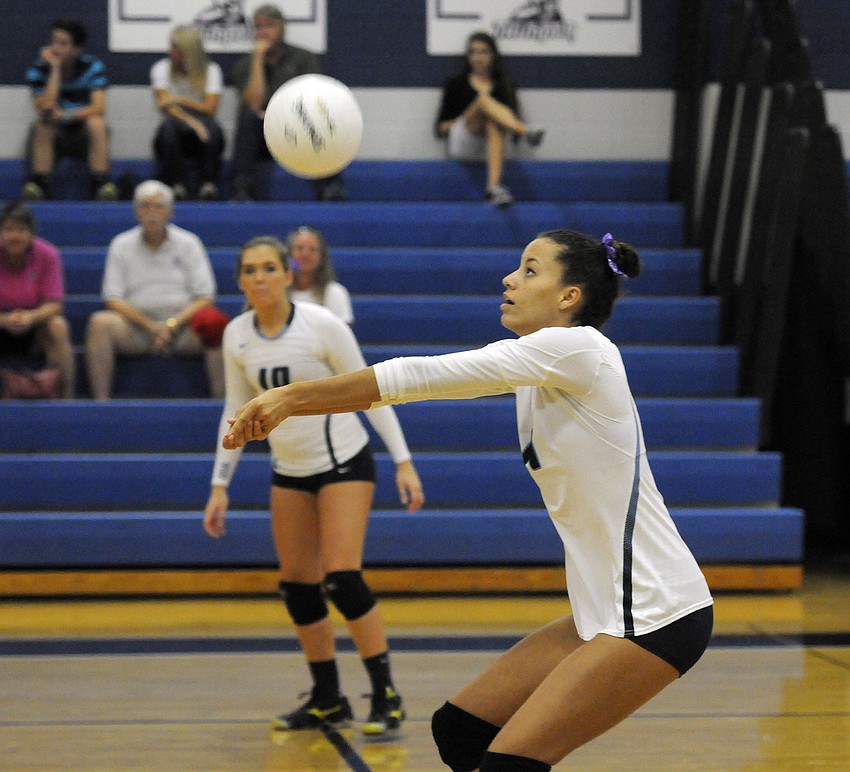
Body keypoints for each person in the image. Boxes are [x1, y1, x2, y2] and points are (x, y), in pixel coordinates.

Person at [221, 229, 714, 771]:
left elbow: (421, 376)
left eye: (530, 270)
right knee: (460, 729)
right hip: (600, 612)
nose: (510, 278)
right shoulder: (542, 367)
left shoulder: (579, 348)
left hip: (655, 613)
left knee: (510, 762)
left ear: (569, 297)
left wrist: (293, 396)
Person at [204, 235, 424, 736]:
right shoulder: (237, 334)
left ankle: (386, 693)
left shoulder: (320, 325)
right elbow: (234, 410)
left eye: (268, 268)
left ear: (288, 274)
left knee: (342, 578)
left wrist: (403, 461)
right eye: (249, 270)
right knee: (298, 586)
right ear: (240, 281)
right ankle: (328, 698)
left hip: (344, 461)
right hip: (290, 469)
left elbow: (373, 390)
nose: (259, 277)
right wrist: (221, 485)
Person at [85, 180, 227, 400]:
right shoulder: (121, 244)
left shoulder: (189, 243)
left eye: (159, 206)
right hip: (136, 328)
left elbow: (205, 296)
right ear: (136, 211)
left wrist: (171, 325)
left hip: (183, 327)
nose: (152, 212)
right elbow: (112, 298)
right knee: (99, 324)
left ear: (170, 211)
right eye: (145, 206)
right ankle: (101, 404)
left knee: (215, 324)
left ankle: (222, 404)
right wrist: (151, 327)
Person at [229, 4, 346, 202]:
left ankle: (330, 186)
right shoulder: (244, 65)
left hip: (297, 128)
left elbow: (311, 99)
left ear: (282, 29)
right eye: (258, 27)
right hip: (263, 135)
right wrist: (257, 60)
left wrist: (279, 114)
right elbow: (254, 104)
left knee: (321, 118)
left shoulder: (303, 58)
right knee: (248, 119)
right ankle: (242, 190)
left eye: (269, 26)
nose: (263, 32)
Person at [435, 31, 545, 208]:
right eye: (473, 52)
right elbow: (440, 128)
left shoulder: (504, 84)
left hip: (496, 143)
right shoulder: (456, 84)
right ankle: (525, 131)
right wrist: (469, 118)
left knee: (494, 122)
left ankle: (493, 189)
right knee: (483, 101)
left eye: (483, 52)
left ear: (493, 55)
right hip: (465, 141)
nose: (478, 57)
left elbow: (510, 118)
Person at [23, 18, 117, 202]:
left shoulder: (92, 66)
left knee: (97, 123)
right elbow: (44, 108)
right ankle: (40, 185)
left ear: (76, 49)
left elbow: (99, 107)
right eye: (54, 42)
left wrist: (66, 114)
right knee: (44, 124)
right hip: (56, 133)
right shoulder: (39, 69)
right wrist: (55, 70)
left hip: (82, 132)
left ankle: (100, 185)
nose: (55, 48)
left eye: (63, 44)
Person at [0, 201, 75, 397]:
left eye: (21, 230)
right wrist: (5, 320)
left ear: (31, 233)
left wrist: (30, 318)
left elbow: (55, 305)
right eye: (8, 229)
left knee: (58, 325)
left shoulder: (48, 255)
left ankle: (67, 398)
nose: (14, 236)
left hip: (35, 328)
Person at [150, 26, 226, 201]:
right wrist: (192, 122)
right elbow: (165, 106)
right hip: (177, 126)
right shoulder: (161, 68)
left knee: (213, 128)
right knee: (169, 128)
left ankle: (209, 185)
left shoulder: (211, 70)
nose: (171, 52)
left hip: (204, 127)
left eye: (176, 48)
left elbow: (210, 109)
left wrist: (181, 100)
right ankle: (176, 184)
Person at [286, 225, 353, 324]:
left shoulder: (335, 292)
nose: (305, 255)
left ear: (321, 257)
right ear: (289, 255)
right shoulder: (278, 292)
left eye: (312, 250)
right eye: (299, 249)